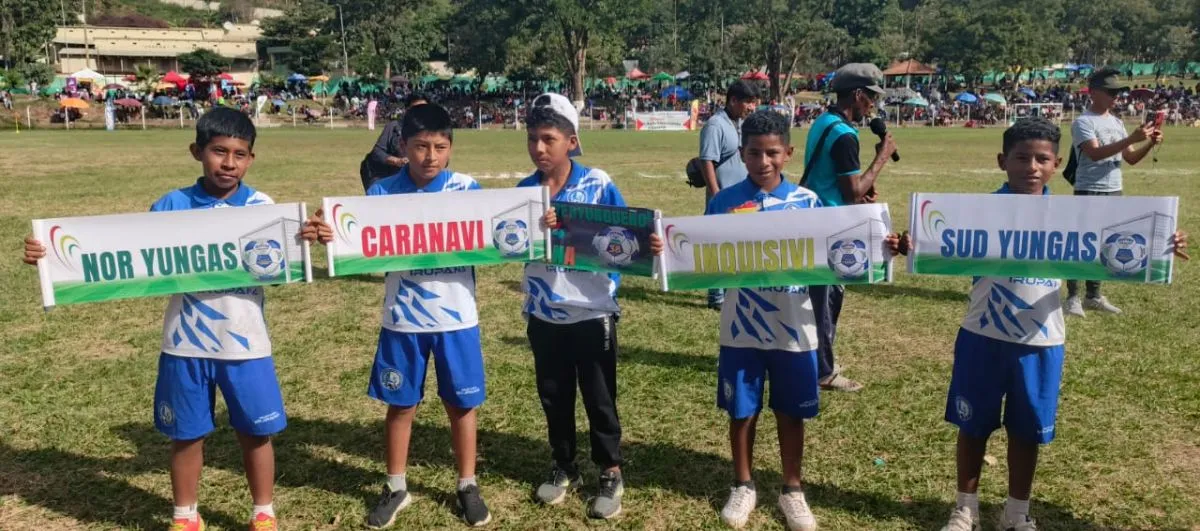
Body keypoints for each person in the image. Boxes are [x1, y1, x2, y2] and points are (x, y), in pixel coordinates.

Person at [24, 108, 286, 531]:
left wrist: (303, 239)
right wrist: (50, 257)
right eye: (218, 151)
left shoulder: (262, 207)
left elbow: (277, 270)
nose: (228, 163)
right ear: (197, 151)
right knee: (186, 435)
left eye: (239, 154)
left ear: (251, 159)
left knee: (256, 433)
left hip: (245, 341)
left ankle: (263, 512)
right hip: (184, 343)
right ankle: (185, 516)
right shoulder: (171, 205)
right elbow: (125, 255)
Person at [930, 118, 1188, 531]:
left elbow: (1115, 246)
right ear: (1002, 161)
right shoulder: (979, 211)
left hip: (1042, 337)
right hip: (982, 333)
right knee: (972, 425)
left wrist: (1161, 245)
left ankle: (1016, 512)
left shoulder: (1072, 217)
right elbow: (934, 240)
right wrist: (904, 244)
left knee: (1027, 429)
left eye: (1042, 159)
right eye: (1021, 157)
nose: (1031, 167)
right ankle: (966, 508)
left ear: (1056, 164)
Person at [303, 103, 492, 528]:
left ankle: (467, 484)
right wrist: (329, 235)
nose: (430, 156)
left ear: (451, 147)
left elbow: (503, 232)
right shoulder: (382, 193)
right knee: (400, 404)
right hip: (402, 319)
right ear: (402, 146)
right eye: (420, 146)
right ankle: (396, 486)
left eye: (440, 147)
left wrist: (539, 221)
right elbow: (353, 239)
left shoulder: (468, 190)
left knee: (461, 405)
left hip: (457, 319)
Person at [708, 110, 878, 531]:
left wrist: (880, 244)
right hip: (741, 328)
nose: (763, 161)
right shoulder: (723, 202)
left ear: (788, 153)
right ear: (742, 154)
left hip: (794, 327)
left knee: (790, 411)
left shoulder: (808, 202)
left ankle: (792, 488)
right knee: (742, 409)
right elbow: (698, 254)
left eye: (772, 153)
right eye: (754, 153)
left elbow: (836, 253)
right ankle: (743, 484)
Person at [516, 93, 662, 519]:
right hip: (543, 311)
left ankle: (610, 469)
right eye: (532, 139)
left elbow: (628, 235)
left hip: (592, 311)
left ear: (572, 142)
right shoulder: (524, 192)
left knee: (599, 396)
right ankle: (564, 465)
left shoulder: (597, 182)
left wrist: (648, 245)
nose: (539, 148)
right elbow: (507, 244)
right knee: (553, 394)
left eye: (548, 139)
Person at [800, 63, 897, 393]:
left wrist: (857, 189)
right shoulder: (845, 135)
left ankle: (821, 359)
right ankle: (823, 370)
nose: (873, 105)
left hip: (817, 216)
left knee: (824, 298)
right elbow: (853, 193)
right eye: (871, 97)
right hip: (830, 225)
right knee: (826, 300)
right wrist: (882, 156)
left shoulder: (823, 122)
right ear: (857, 95)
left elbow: (836, 180)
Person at [1065, 68, 1163, 317]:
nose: (1116, 96)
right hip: (1090, 190)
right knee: (1082, 244)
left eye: (1117, 92)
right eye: (1110, 92)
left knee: (1105, 244)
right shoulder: (1083, 122)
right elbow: (1095, 154)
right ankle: (1073, 297)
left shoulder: (1117, 122)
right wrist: (1131, 138)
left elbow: (1130, 159)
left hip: (1114, 189)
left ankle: (1093, 296)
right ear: (1094, 93)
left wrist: (1149, 143)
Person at [698, 81, 760, 310]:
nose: (752, 107)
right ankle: (716, 296)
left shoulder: (739, 123)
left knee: (739, 244)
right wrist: (716, 196)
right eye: (748, 102)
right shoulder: (715, 125)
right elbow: (707, 161)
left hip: (743, 196)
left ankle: (732, 290)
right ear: (733, 100)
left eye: (754, 102)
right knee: (718, 245)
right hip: (723, 196)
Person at [359, 93, 430, 191]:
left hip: (405, 177)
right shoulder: (393, 127)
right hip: (379, 174)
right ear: (407, 110)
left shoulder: (430, 131)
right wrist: (397, 161)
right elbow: (377, 152)